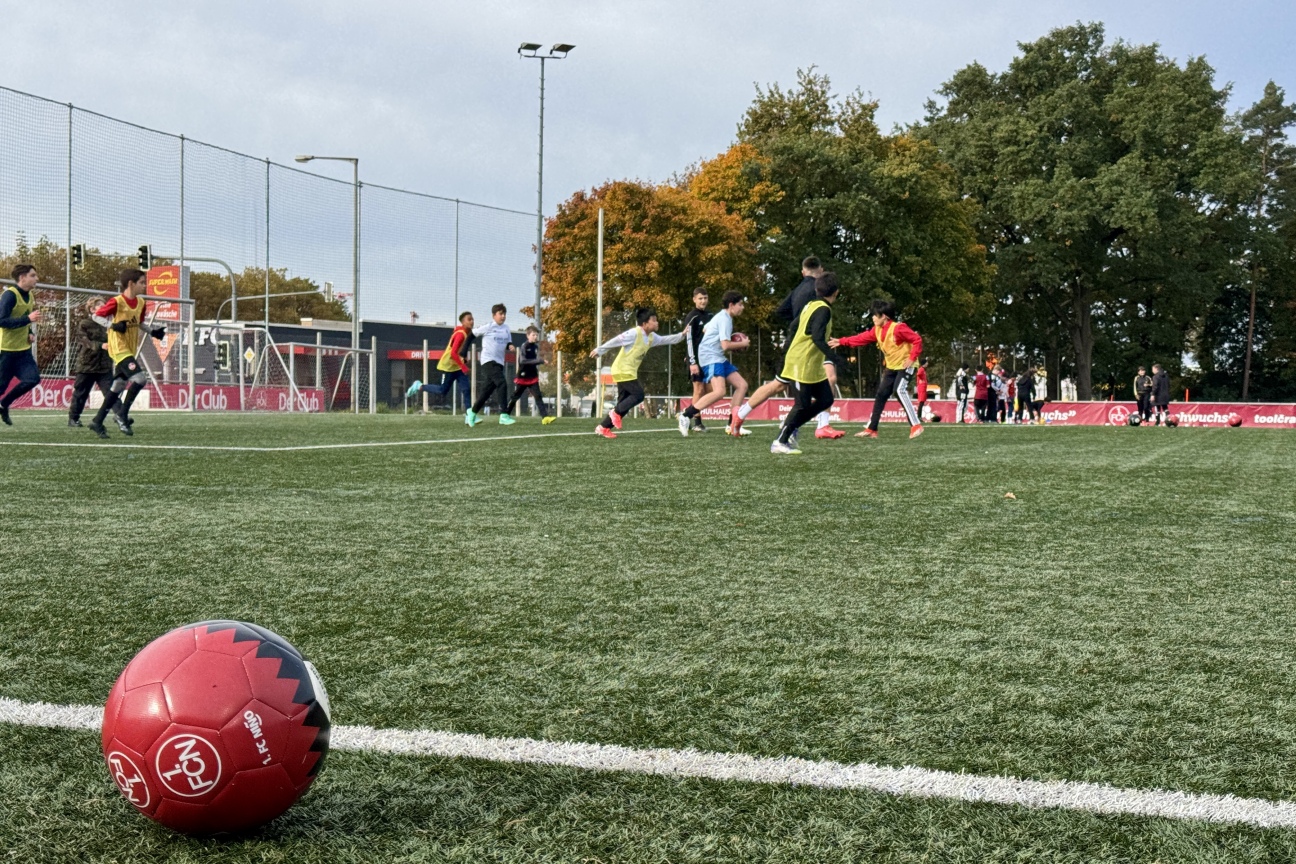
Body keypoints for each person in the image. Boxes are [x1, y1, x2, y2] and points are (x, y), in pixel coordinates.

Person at [734, 256, 844, 439]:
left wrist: (798, 322)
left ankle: (819, 425)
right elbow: (815, 331)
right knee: (791, 387)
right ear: (821, 270)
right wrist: (807, 328)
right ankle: (795, 428)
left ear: (803, 272)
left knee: (820, 381)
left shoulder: (798, 289)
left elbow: (780, 311)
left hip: (799, 343)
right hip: (805, 347)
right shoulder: (817, 294)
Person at [830, 299, 924, 440]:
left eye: (875, 315)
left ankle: (916, 425)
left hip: (906, 366)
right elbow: (861, 338)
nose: (873, 317)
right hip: (892, 367)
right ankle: (872, 428)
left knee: (899, 390)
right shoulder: (877, 330)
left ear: (884, 316)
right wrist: (842, 341)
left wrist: (912, 358)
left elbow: (917, 340)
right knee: (881, 394)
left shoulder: (898, 328)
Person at [89, 269, 166, 437]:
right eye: (142, 282)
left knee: (118, 386)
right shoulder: (117, 302)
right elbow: (96, 316)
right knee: (140, 379)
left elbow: (139, 323)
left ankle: (97, 421)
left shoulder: (141, 303)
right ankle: (122, 415)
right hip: (118, 347)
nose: (145, 285)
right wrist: (113, 326)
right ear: (131, 284)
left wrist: (153, 332)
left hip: (130, 348)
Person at [771, 273, 841, 455]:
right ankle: (780, 441)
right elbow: (817, 337)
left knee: (826, 399)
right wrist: (834, 358)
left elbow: (793, 326)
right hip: (800, 363)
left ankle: (791, 425)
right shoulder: (824, 310)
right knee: (801, 405)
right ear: (836, 292)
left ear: (817, 289)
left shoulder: (811, 304)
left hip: (810, 364)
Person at [589, 307, 685, 439]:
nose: (657, 322)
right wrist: (600, 350)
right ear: (645, 324)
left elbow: (666, 340)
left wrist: (682, 335)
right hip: (622, 370)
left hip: (629, 372)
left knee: (623, 404)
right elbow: (616, 340)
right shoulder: (634, 333)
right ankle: (614, 413)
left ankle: (603, 427)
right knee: (638, 395)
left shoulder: (651, 337)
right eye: (654, 320)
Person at [679, 291, 749, 436]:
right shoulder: (724, 319)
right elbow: (725, 345)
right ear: (731, 305)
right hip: (710, 357)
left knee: (742, 385)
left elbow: (706, 329)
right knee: (719, 392)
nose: (742, 308)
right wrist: (743, 343)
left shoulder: (721, 316)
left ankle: (732, 424)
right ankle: (686, 415)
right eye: (740, 304)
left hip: (717, 356)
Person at [0, 264, 42, 426]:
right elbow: (2, 321)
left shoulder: (30, 295)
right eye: (33, 275)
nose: (37, 278)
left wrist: (30, 331)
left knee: (32, 379)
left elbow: (25, 318)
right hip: (5, 351)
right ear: (22, 277)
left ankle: (4, 404)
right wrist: (28, 319)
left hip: (23, 352)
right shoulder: (9, 295)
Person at [406, 311, 474, 410]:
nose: (472, 321)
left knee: (466, 389)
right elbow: (453, 353)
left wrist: (464, 360)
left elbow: (459, 351)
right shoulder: (460, 334)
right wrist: (463, 366)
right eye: (469, 319)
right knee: (442, 390)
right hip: (449, 366)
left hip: (457, 366)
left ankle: (470, 414)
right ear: (463, 322)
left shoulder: (466, 334)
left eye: (472, 319)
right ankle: (419, 386)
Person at [68, 296, 115, 433]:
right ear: (92, 309)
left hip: (104, 365)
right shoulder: (85, 323)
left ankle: (120, 416)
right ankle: (73, 418)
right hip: (87, 365)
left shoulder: (109, 324)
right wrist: (101, 345)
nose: (105, 308)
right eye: (101, 305)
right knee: (81, 393)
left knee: (111, 392)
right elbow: (84, 341)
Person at [467, 303, 514, 427]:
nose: (503, 316)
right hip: (488, 361)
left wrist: (510, 345)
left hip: (499, 363)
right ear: (494, 315)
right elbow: (472, 334)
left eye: (504, 314)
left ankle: (472, 413)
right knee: (502, 383)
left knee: (486, 391)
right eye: (500, 314)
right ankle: (504, 415)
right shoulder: (488, 327)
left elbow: (508, 342)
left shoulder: (506, 328)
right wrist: (463, 351)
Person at [504, 325, 555, 424]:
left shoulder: (535, 347)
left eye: (536, 335)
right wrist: (539, 361)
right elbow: (523, 361)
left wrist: (539, 361)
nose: (535, 337)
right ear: (528, 336)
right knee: (516, 396)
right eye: (533, 335)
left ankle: (545, 417)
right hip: (523, 376)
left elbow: (533, 360)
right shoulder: (524, 346)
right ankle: (506, 414)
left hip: (532, 376)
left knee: (538, 396)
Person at [681, 287, 713, 432]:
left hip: (709, 358)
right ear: (694, 299)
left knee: (712, 390)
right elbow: (689, 340)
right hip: (696, 359)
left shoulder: (710, 315)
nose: (703, 301)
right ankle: (697, 423)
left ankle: (687, 412)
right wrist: (692, 361)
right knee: (699, 389)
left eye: (705, 298)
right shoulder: (691, 317)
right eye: (700, 298)